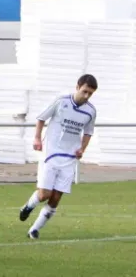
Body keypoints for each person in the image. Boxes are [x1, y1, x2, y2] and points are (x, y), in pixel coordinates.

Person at [19, 74, 98, 239]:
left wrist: (82, 149)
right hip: (51, 153)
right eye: (84, 91)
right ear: (77, 87)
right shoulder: (61, 101)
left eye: (90, 93)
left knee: (56, 198)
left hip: (69, 158)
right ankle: (28, 206)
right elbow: (41, 118)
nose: (86, 96)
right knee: (44, 194)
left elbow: (88, 132)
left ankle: (34, 230)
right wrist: (36, 138)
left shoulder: (90, 111)